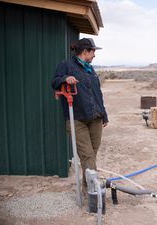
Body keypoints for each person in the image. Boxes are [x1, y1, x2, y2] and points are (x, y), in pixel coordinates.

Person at [52, 38, 108, 195]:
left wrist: (104, 114)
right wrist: (65, 78)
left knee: (92, 154)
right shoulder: (67, 65)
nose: (95, 55)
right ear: (85, 51)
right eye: (93, 51)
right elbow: (54, 81)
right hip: (77, 119)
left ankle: (88, 184)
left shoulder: (90, 69)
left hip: (96, 117)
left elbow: (98, 94)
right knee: (87, 155)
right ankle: (93, 191)